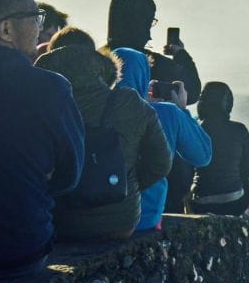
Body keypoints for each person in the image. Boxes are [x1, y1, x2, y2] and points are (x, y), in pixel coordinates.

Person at [0, 0, 85, 279]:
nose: (39, 27)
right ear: (6, 30)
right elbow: (69, 176)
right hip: (16, 253)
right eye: (34, 17)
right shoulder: (49, 89)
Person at [36, 28, 172, 241]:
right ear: (96, 60)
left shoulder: (40, 103)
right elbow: (161, 164)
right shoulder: (129, 101)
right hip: (120, 222)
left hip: (59, 220)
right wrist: (123, 185)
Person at [113, 47, 212, 231]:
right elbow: (203, 155)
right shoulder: (166, 112)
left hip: (97, 215)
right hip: (145, 219)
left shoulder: (92, 107)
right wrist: (181, 109)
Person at [104, 0, 202, 104]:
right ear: (144, 24)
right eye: (150, 22)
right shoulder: (154, 64)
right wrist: (180, 54)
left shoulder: (93, 59)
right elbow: (192, 91)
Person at [189, 82, 249, 216]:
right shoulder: (239, 129)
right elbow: (248, 169)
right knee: (244, 179)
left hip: (200, 202)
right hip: (235, 203)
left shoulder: (195, 130)